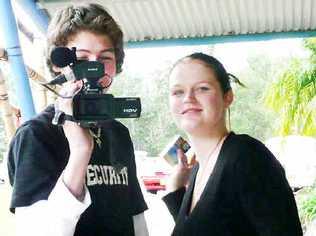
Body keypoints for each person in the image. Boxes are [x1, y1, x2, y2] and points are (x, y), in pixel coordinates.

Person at [7, 3, 148, 236]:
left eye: (105, 58)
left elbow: (135, 218)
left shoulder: (117, 132)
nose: (95, 68)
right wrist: (80, 151)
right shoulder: (36, 135)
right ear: (57, 63)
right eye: (82, 58)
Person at [162, 52, 303, 235]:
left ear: (228, 97)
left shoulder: (246, 156)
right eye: (178, 91)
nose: (188, 98)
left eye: (202, 88)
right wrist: (175, 190)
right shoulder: (198, 169)